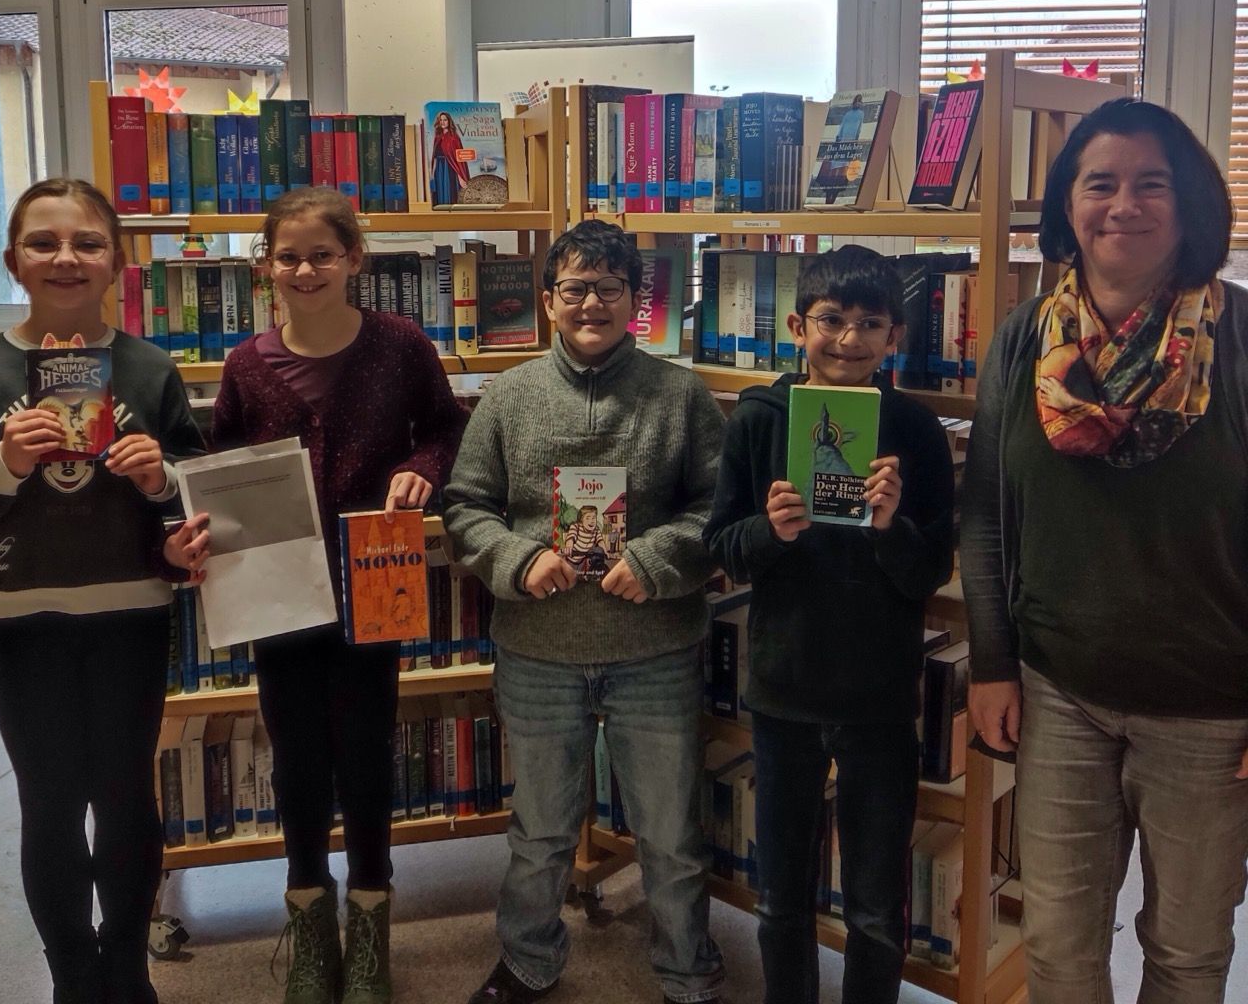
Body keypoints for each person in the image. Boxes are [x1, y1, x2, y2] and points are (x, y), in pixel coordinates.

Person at [961, 97, 1248, 1004]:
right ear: (1067, 204)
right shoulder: (1023, 340)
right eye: (1101, 184)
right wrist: (992, 664)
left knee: (1188, 951)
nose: (1124, 204)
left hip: (1212, 708)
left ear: (1190, 203)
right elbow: (985, 517)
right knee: (1056, 945)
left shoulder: (1242, 339)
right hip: (1059, 692)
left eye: (1151, 183)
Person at [169, 187, 467, 1004]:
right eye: (289, 257)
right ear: (266, 266)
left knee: (367, 753)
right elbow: (223, 463)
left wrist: (423, 470)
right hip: (278, 593)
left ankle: (369, 927)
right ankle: (309, 925)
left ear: (353, 260)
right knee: (296, 757)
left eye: (322, 255)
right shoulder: (245, 364)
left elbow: (446, 427)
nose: (305, 271)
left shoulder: (401, 344)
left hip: (375, 580)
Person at [443, 218, 727, 1004]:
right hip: (538, 652)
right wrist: (515, 559)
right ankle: (528, 962)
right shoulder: (508, 396)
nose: (592, 303)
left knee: (670, 834)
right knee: (539, 833)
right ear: (548, 301)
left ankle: (687, 972)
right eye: (575, 288)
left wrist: (657, 559)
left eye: (609, 288)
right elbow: (465, 506)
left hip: (654, 651)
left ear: (635, 300)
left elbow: (718, 507)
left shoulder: (681, 395)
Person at [0, 178, 204, 1004]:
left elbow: (197, 499)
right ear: (13, 262)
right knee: (49, 803)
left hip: (130, 614)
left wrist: (159, 480)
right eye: (44, 242)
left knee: (126, 795)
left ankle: (127, 971)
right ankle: (73, 976)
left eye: (87, 242)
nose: (65, 257)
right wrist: (5, 464)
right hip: (20, 616)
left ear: (117, 262)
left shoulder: (148, 367)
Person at [704, 245, 954, 1004]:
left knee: (875, 908)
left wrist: (889, 528)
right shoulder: (759, 419)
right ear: (796, 326)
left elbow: (929, 571)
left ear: (896, 336)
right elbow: (722, 548)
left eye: (870, 324)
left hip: (879, 696)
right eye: (831, 320)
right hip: (785, 689)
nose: (849, 339)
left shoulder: (916, 430)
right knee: (781, 898)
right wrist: (770, 532)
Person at [430, 110, 468, 207]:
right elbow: (435, 157)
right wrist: (432, 174)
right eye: (441, 120)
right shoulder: (437, 137)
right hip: (439, 169)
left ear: (449, 121)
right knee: (439, 190)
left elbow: (458, 160)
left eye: (445, 120)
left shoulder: (454, 137)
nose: (442, 122)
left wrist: (460, 177)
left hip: (450, 169)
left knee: (449, 190)